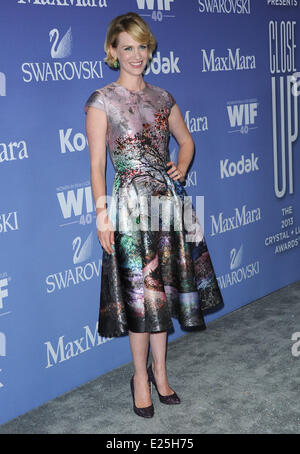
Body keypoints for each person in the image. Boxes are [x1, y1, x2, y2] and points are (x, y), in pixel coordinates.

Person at [84, 11, 223, 418]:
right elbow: (96, 167)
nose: (135, 55)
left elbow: (186, 140)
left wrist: (181, 162)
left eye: (141, 46)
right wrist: (101, 215)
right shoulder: (102, 101)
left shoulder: (163, 98)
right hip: (129, 210)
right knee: (142, 298)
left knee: (161, 291)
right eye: (127, 47)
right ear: (112, 51)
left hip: (167, 204)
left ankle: (160, 372)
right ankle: (139, 378)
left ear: (149, 49)